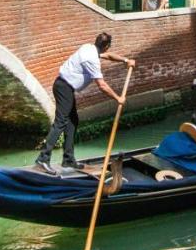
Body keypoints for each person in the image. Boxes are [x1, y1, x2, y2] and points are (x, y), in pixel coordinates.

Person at [35, 32, 135, 174]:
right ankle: (42, 159)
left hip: (63, 86)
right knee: (61, 122)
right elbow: (102, 85)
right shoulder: (91, 60)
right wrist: (118, 98)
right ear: (106, 46)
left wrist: (125, 60)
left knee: (72, 121)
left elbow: (108, 56)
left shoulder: (89, 48)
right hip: (64, 87)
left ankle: (68, 159)